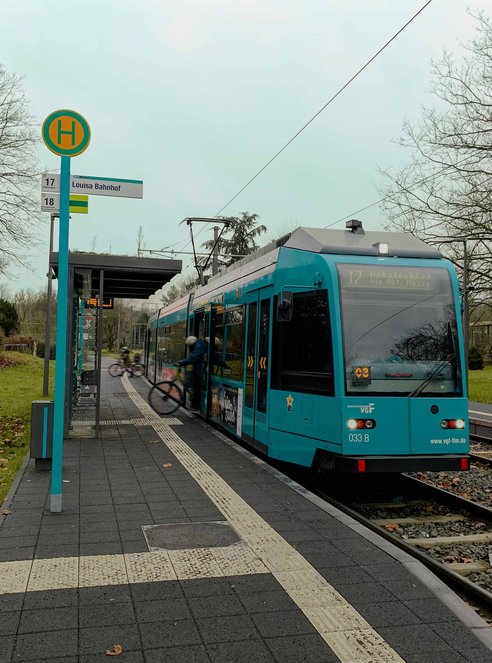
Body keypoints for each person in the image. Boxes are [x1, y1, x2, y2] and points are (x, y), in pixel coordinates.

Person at [178, 336, 205, 410]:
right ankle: (193, 404)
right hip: (196, 370)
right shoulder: (197, 345)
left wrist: (182, 362)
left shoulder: (198, 346)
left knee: (196, 386)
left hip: (199, 371)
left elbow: (193, 357)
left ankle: (196, 406)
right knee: (191, 384)